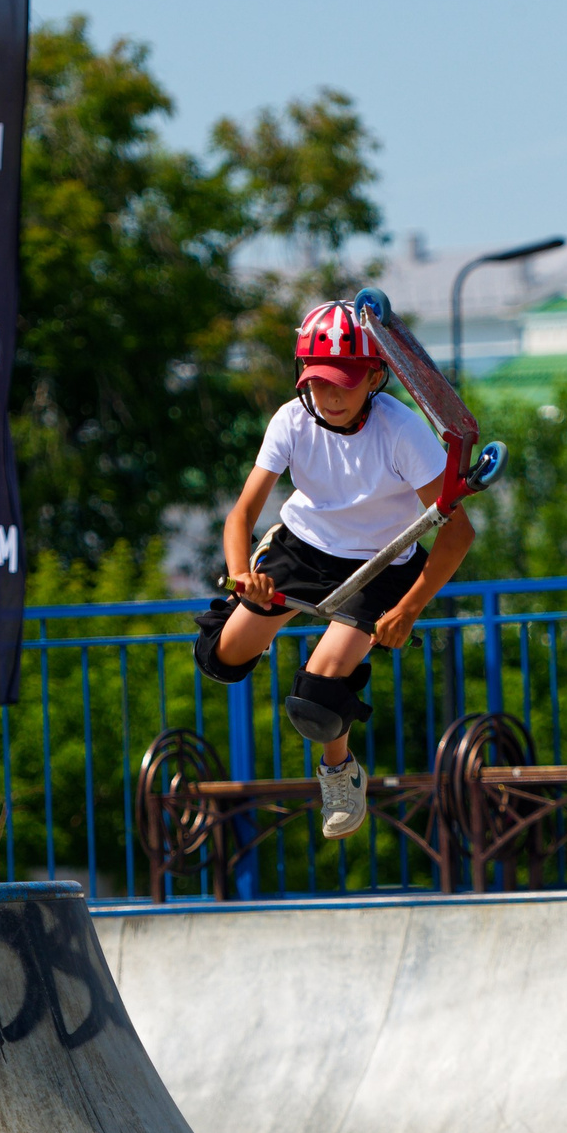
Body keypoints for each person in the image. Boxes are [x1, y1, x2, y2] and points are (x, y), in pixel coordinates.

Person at [191, 299, 477, 839]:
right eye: (320, 382)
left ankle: (339, 772)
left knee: (315, 701)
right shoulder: (292, 420)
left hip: (379, 564)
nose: (331, 396)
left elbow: (457, 534)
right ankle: (269, 622)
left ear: (375, 377)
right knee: (219, 659)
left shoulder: (401, 431)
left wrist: (409, 609)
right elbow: (242, 514)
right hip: (301, 549)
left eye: (345, 382)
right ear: (303, 376)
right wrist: (242, 574)